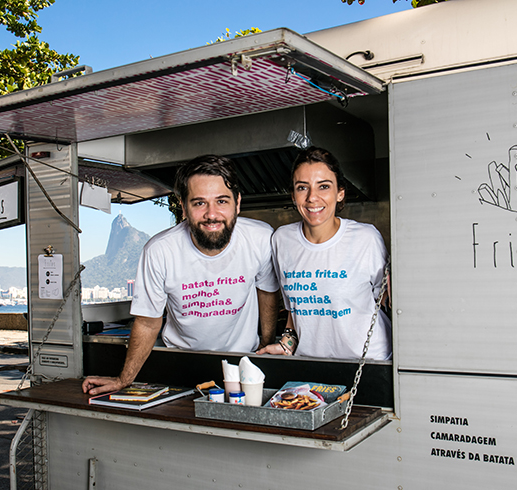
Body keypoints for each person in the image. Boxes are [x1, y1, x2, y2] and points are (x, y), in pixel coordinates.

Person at [83, 155, 279, 396]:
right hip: (180, 363)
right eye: (199, 203)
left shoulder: (260, 239)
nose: (212, 214)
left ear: (237, 203)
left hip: (242, 364)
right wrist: (124, 379)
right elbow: (147, 322)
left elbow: (267, 292)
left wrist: (266, 345)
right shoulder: (159, 250)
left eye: (222, 201)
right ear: (184, 207)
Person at [257, 146, 392, 360]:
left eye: (324, 186)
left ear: (340, 193)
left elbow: (385, 300)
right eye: (303, 188)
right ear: (293, 195)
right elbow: (296, 306)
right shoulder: (282, 240)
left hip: (367, 362)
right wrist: (287, 343)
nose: (312, 197)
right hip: (311, 363)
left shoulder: (365, 239)